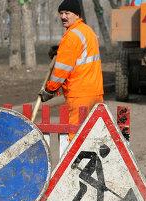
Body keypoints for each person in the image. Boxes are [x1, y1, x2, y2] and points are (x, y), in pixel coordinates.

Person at [39, 0, 104, 140]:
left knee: (75, 136)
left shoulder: (72, 36)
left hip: (80, 95)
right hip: (96, 91)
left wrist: (50, 90)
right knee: (94, 135)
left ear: (76, 15)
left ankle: (75, 162)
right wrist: (60, 49)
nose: (63, 16)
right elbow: (81, 54)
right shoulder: (88, 31)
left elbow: (62, 70)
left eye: (67, 13)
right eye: (61, 13)